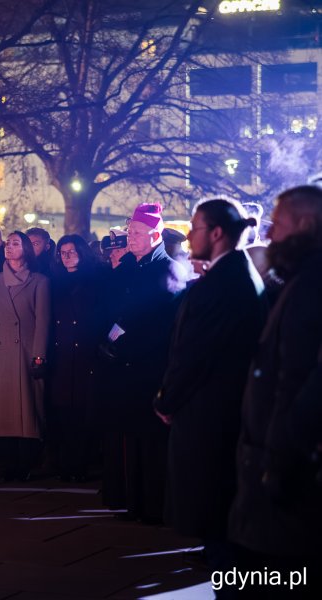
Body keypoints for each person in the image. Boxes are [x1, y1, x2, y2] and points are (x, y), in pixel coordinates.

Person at [153, 198, 265, 578]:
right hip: (219, 411)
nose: (188, 236)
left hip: (210, 416)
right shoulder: (232, 275)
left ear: (216, 233)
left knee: (218, 524)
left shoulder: (222, 283)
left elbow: (193, 353)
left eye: (195, 227)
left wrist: (166, 399)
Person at [228, 185, 322, 594]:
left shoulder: (311, 286)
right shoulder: (301, 281)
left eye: (277, 224)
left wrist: (278, 459)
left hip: (286, 466)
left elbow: (300, 382)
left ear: (305, 224)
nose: (269, 233)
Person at [96, 202, 187, 523]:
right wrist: (106, 340)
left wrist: (124, 347)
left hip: (148, 369)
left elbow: (160, 326)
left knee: (150, 442)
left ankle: (153, 506)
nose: (130, 237)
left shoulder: (167, 270)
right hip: (123, 369)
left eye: (136, 232)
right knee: (128, 439)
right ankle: (131, 501)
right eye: (130, 231)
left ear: (155, 235)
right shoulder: (129, 267)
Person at [0, 231, 50, 481]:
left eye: (15, 244)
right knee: (3, 414)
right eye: (7, 244)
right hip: (0, 356)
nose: (8, 247)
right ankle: (8, 465)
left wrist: (39, 355)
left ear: (26, 249)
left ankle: (26, 465)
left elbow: (42, 321)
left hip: (26, 354)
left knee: (27, 411)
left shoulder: (39, 281)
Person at [48, 235, 104, 481]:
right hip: (62, 354)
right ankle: (65, 463)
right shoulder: (55, 282)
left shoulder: (94, 280)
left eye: (72, 251)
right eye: (63, 252)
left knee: (82, 412)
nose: (67, 256)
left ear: (82, 252)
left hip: (85, 354)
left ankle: (79, 464)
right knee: (63, 411)